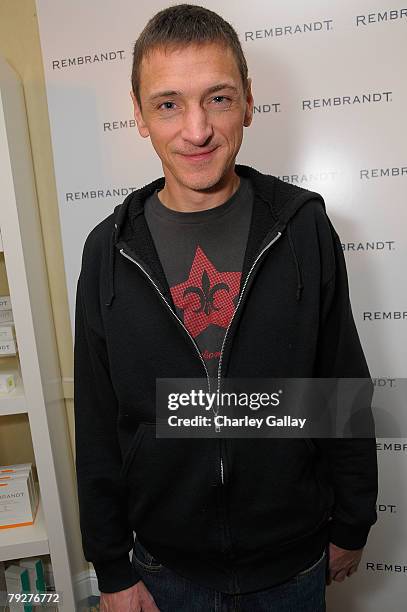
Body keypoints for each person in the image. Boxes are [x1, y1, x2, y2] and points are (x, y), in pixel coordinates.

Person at [73, 4, 378, 611]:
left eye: (217, 98)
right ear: (137, 115)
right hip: (164, 570)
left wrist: (352, 521)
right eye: (168, 104)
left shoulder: (303, 229)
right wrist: (111, 566)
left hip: (293, 562)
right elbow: (100, 420)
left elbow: (339, 384)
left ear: (247, 102)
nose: (196, 130)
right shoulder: (109, 250)